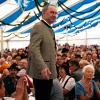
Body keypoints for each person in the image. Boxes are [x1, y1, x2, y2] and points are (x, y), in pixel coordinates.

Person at [27, 3, 57, 100]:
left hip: (49, 69)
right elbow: (34, 48)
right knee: (42, 97)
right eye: (52, 12)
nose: (54, 15)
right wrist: (43, 67)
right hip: (42, 71)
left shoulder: (49, 28)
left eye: (56, 13)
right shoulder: (39, 26)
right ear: (44, 13)